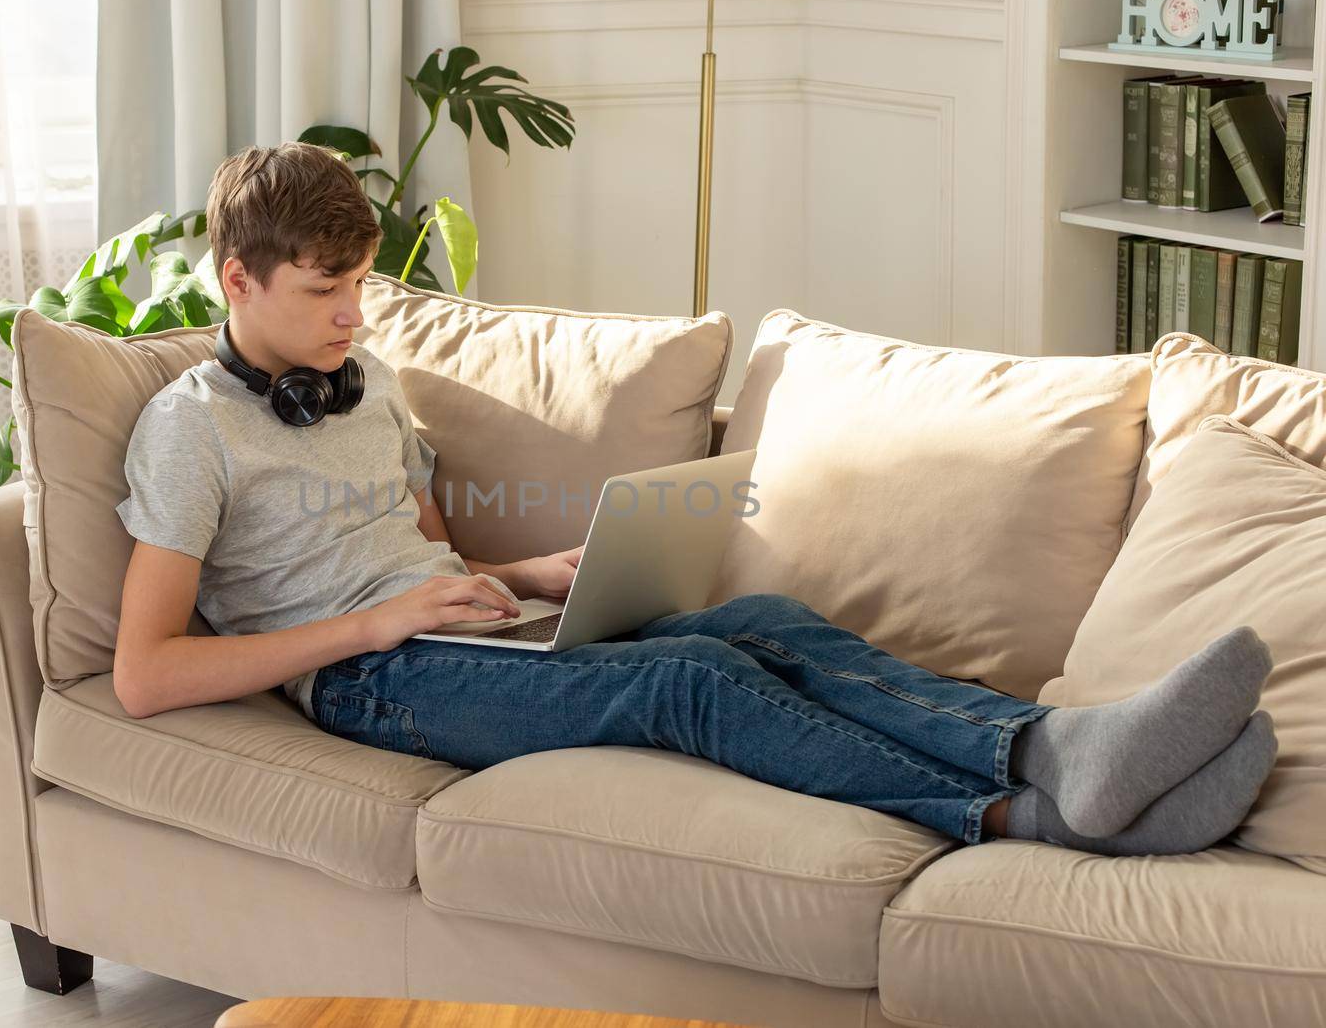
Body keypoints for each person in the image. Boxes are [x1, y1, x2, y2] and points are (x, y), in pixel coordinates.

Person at [113, 142, 1277, 855]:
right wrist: (375, 624)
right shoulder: (190, 431)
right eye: (325, 291)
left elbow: (425, 542)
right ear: (236, 278)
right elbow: (146, 671)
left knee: (758, 625)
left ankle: (1055, 742)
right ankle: (1028, 817)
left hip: (461, 629)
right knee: (688, 680)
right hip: (368, 679)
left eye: (361, 285)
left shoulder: (369, 383)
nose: (350, 316)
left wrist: (519, 576)